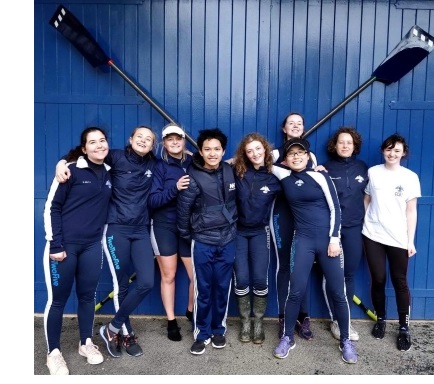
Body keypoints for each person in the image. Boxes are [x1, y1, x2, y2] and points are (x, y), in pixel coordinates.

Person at [56, 126, 158, 358]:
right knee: (121, 284)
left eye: (148, 139)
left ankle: (111, 327)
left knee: (146, 282)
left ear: (153, 145)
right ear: (130, 139)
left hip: (141, 229)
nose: (143, 141)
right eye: (139, 136)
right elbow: (83, 154)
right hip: (116, 229)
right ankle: (125, 332)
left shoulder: (154, 164)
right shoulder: (115, 156)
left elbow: (178, 162)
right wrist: (61, 163)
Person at [271, 137, 357, 364]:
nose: (296, 156)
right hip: (303, 241)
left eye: (301, 153)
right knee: (295, 291)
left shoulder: (320, 175)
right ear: (286, 159)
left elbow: (335, 208)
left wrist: (334, 238)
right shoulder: (284, 175)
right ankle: (287, 337)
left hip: (328, 242)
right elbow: (257, 158)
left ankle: (346, 340)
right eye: (291, 154)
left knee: (339, 293)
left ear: (308, 157)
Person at [44, 127, 112, 375]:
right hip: (64, 247)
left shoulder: (109, 172)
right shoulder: (69, 171)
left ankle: (86, 343)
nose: (98, 145)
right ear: (84, 148)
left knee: (87, 297)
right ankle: (53, 353)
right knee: (58, 300)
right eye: (92, 142)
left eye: (102, 141)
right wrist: (56, 244)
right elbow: (52, 208)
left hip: (92, 246)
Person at [177, 128, 237, 355]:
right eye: (207, 149)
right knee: (203, 289)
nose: (212, 153)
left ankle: (218, 329)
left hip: (228, 239)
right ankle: (201, 334)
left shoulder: (232, 170)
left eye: (217, 149)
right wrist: (188, 236)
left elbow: (267, 159)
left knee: (222, 287)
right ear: (200, 152)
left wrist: (313, 164)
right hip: (202, 241)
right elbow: (183, 212)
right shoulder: (191, 177)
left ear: (223, 151)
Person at [362, 134, 421, 352]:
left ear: (403, 153)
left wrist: (410, 240)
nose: (391, 153)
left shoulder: (410, 177)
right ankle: (381, 319)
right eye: (388, 149)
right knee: (378, 279)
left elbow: (411, 210)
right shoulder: (373, 172)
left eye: (396, 150)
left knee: (400, 281)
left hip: (398, 237)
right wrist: (368, 220)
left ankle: (404, 327)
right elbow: (367, 199)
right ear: (383, 151)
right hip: (373, 235)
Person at [270, 112, 318, 340]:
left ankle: (304, 317)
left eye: (300, 123)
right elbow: (249, 162)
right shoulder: (275, 154)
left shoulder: (312, 156)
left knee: (303, 267)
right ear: (284, 128)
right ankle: (283, 318)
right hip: (282, 216)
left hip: (306, 219)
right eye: (291, 123)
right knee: (285, 267)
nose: (296, 126)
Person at [232, 133, 282, 344]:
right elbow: (212, 165)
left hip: (261, 232)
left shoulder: (276, 175)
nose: (255, 154)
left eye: (258, 149)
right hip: (238, 233)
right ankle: (245, 321)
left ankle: (259, 322)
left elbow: (301, 180)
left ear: (266, 149)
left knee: (260, 279)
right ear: (244, 153)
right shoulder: (236, 173)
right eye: (249, 150)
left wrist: (316, 170)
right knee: (242, 279)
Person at [321, 127, 368, 341]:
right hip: (333, 231)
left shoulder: (363, 168)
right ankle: (336, 320)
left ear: (354, 145)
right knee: (333, 276)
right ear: (335, 145)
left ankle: (344, 320)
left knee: (349, 275)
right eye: (341, 142)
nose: (345, 145)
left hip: (354, 229)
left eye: (349, 142)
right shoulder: (326, 169)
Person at [148, 124, 194, 341]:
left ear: (184, 140)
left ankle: (191, 311)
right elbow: (153, 200)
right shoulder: (160, 167)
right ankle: (171, 321)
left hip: (189, 228)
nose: (175, 142)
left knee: (197, 276)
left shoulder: (194, 162)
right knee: (169, 275)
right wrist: (175, 188)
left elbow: (218, 165)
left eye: (178, 139)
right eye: (170, 139)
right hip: (164, 227)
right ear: (163, 143)